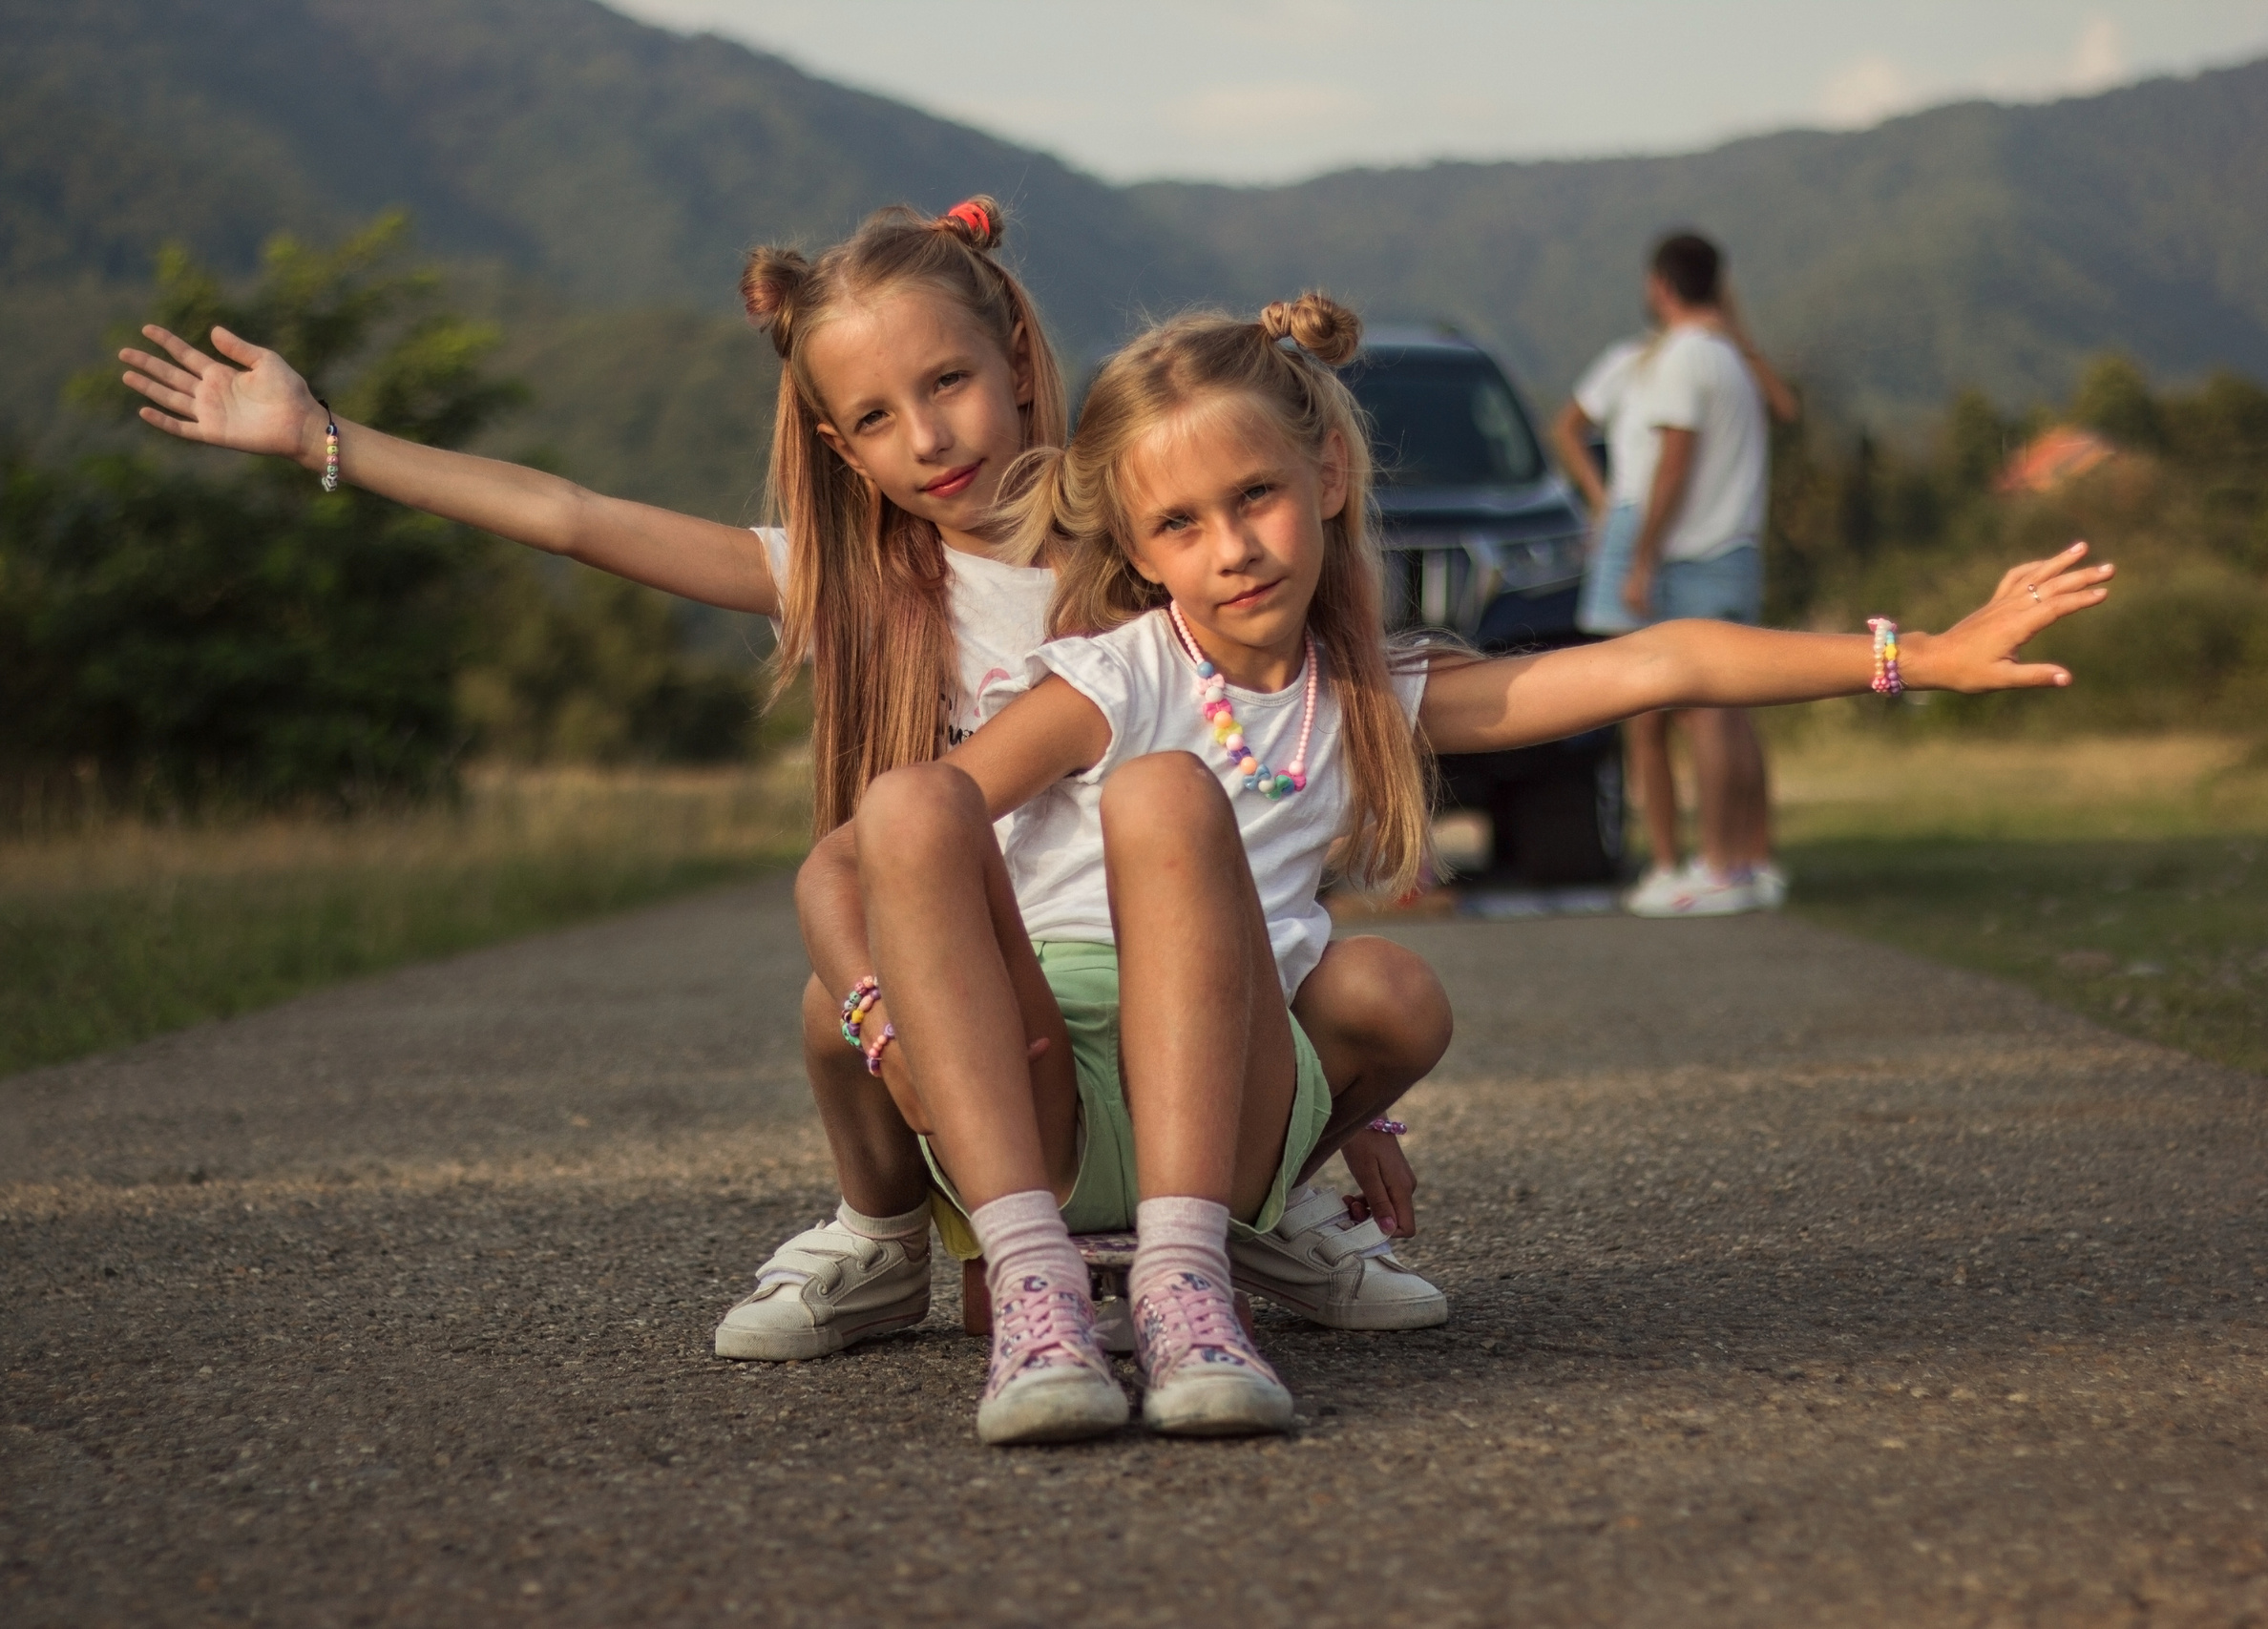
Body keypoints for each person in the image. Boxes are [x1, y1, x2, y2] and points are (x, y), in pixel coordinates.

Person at [113, 198, 1455, 1364]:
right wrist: (325, 439)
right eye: (876, 416)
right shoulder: (859, 582)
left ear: (1020, 358)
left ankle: (1258, 1210)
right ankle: (880, 1234)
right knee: (831, 1002)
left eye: (950, 382)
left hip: (1182, 975)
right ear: (834, 442)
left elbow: (1260, 777)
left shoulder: (1147, 528)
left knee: (1373, 987)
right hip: (999, 990)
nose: (930, 437)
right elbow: (574, 516)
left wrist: (1348, 1105)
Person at [796, 291, 2110, 1444]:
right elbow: (854, 860)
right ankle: (1038, 1289)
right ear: (1138, 551)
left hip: (1221, 1092)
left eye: (1253, 496)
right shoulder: (1109, 677)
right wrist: (875, 1007)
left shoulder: (1381, 689)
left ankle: (1191, 1292)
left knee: (1267, 881)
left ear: (1325, 475)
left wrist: (1912, 654)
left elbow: (1662, 661)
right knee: (921, 799)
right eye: (1183, 524)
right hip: (1043, 1094)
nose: (1233, 547)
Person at [1551, 233, 1802, 916]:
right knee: (1724, 713)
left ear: (1660, 286)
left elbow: (1674, 463)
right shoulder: (1724, 357)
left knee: (1704, 714)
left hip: (1684, 552)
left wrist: (1640, 556)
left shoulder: (1683, 358)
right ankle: (1738, 862)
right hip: (1730, 546)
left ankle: (1717, 865)